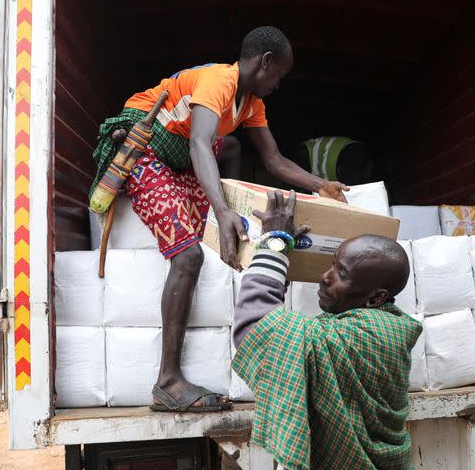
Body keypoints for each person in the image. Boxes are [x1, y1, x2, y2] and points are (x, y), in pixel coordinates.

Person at [90, 26, 349, 412]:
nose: (279, 84)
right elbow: (198, 142)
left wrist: (320, 184)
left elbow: (273, 160)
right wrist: (223, 210)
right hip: (144, 151)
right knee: (189, 255)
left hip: (178, 159)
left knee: (211, 242)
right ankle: (167, 382)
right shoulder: (218, 80)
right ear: (265, 63)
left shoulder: (251, 104)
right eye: (280, 74)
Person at [232, 190, 422, 470]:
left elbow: (255, 327)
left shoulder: (363, 337)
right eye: (333, 264)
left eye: (341, 274)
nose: (324, 276)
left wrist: (274, 244)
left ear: (375, 297)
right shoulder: (373, 326)